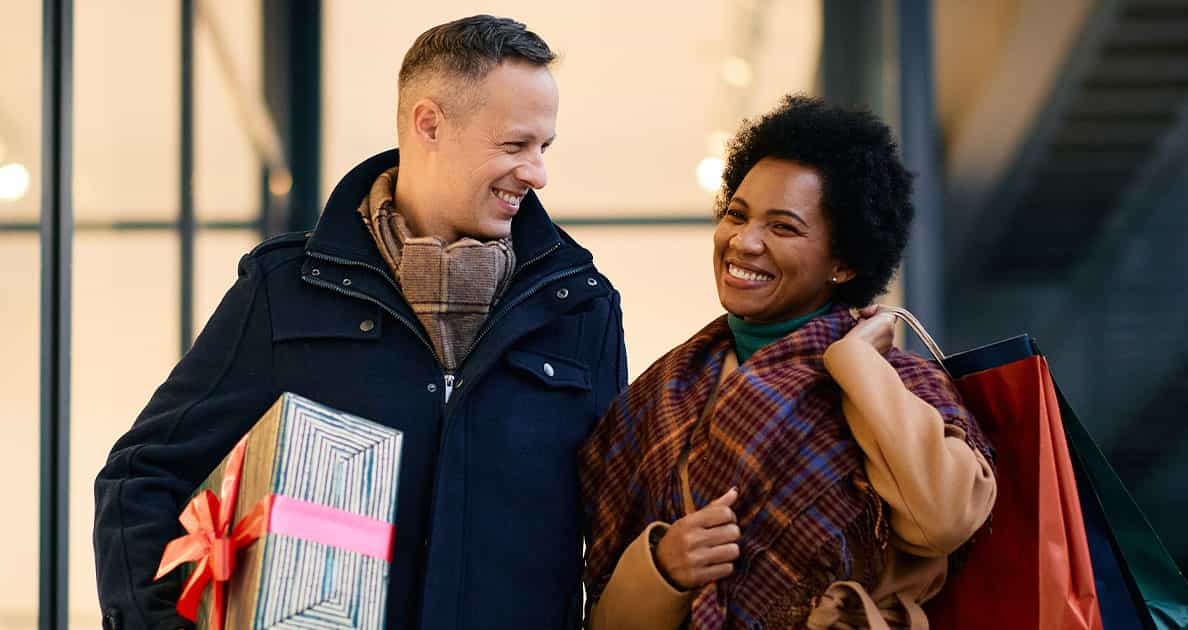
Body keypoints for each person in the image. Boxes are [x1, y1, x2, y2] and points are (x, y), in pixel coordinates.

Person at [94, 15, 626, 630]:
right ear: (429, 124)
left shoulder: (581, 307)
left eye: (543, 148)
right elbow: (142, 478)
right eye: (514, 146)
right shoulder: (285, 289)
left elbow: (615, 535)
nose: (536, 173)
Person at [580, 95, 997, 629]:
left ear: (843, 263)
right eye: (737, 214)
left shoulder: (898, 383)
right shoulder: (657, 398)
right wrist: (662, 568)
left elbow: (941, 519)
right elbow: (603, 619)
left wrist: (857, 364)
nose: (744, 241)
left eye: (782, 227)